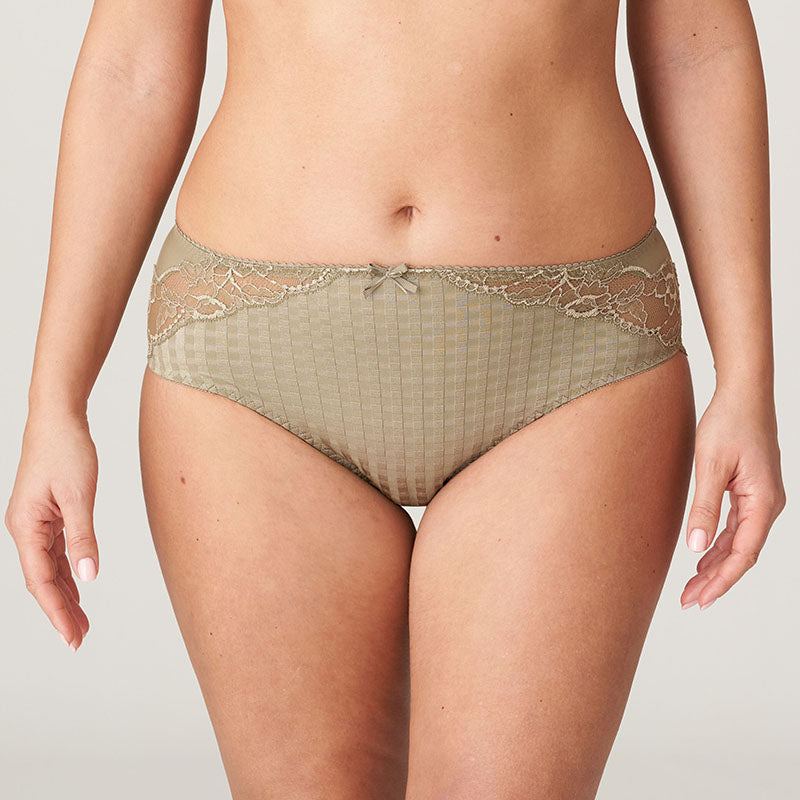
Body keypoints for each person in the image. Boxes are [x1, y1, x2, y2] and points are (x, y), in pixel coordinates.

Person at [4, 0, 787, 797]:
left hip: (572, 358)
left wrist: (748, 379)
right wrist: (55, 403)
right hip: (252, 371)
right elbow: (131, 67)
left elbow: (699, 51)